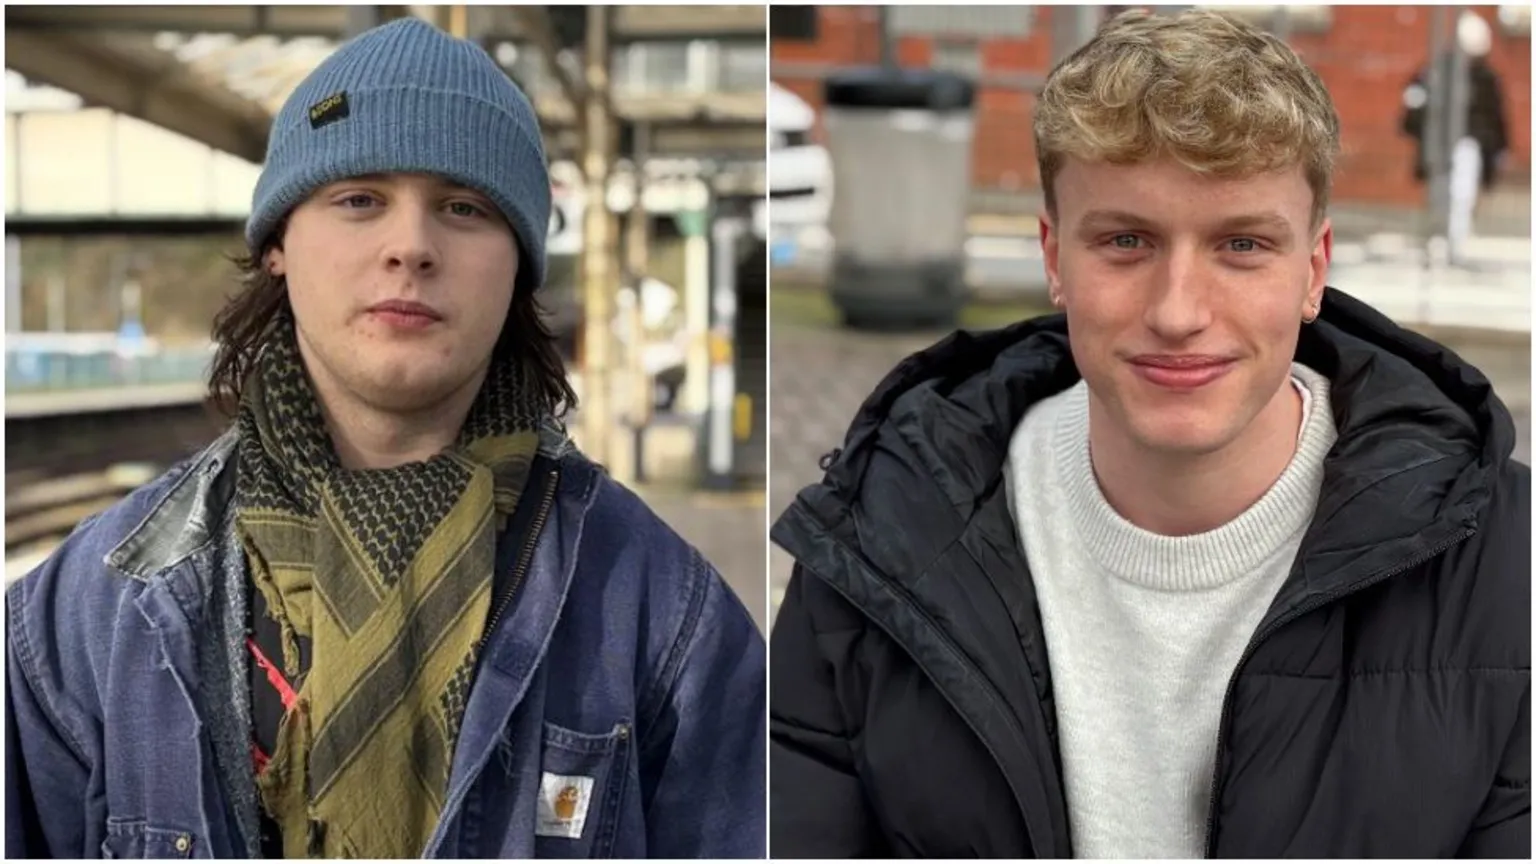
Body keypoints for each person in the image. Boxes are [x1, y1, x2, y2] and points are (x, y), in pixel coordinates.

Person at [770, 9, 1528, 859]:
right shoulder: (875, 542)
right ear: (1054, 258)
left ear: (1313, 270)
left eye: (1241, 245)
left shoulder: (1500, 564)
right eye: (1126, 242)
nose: (1177, 313)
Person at [6, 18, 765, 859]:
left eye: (464, 207)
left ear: (517, 266)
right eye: (359, 199)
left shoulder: (666, 618)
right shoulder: (82, 619)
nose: (410, 246)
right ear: (279, 248)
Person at [1400, 10, 1510, 263]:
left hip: (1469, 144)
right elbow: (1416, 102)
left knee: (1462, 192)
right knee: (1441, 189)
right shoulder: (1437, 71)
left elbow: (1496, 116)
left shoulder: (1484, 78)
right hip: (1441, 145)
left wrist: (1499, 148)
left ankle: (1454, 238)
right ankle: (1439, 234)